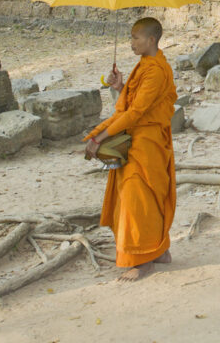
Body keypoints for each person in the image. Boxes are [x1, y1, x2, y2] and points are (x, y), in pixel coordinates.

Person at [84, 17, 177, 281]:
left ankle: (143, 259)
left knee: (138, 198)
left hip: (147, 143)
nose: (131, 42)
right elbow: (138, 102)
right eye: (130, 37)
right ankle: (159, 250)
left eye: (136, 37)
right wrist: (120, 88)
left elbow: (136, 113)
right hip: (138, 139)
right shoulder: (145, 66)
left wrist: (100, 136)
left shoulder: (157, 70)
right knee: (142, 197)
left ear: (151, 40)